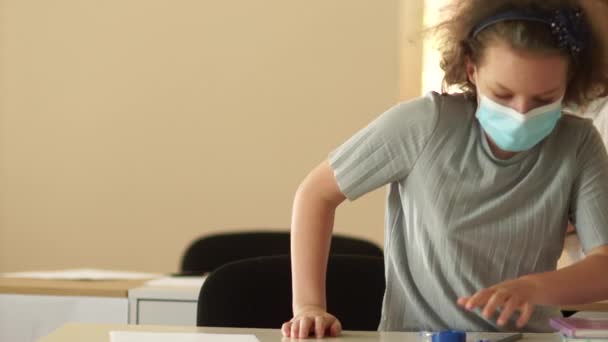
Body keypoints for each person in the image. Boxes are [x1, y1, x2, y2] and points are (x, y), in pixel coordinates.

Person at [282, 0, 608, 339]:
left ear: (568, 81)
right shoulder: (424, 124)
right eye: (503, 93)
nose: (521, 113)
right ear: (471, 70)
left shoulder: (578, 144)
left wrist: (534, 288)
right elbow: (316, 194)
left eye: (544, 99)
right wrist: (308, 307)